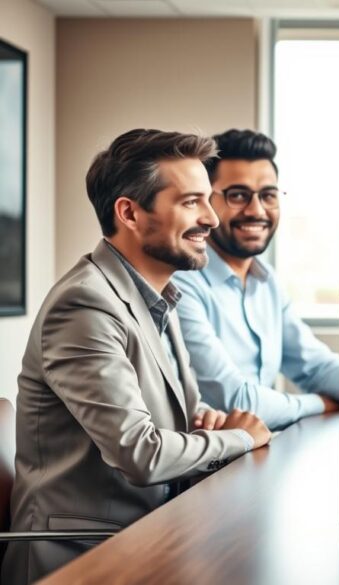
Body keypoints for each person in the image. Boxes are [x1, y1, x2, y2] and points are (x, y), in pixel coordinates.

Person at [2, 129, 272, 584]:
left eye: (209, 200)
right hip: (83, 557)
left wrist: (206, 418)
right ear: (128, 211)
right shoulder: (84, 305)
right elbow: (140, 453)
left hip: (148, 534)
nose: (211, 217)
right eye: (191, 202)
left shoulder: (161, 294)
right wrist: (242, 438)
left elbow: (159, 407)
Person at [173, 129, 339, 431]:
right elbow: (238, 402)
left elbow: (315, 366)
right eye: (238, 195)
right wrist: (321, 404)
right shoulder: (182, 284)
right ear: (206, 202)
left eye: (268, 195)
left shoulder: (266, 281)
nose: (256, 210)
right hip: (211, 468)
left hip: (262, 452)